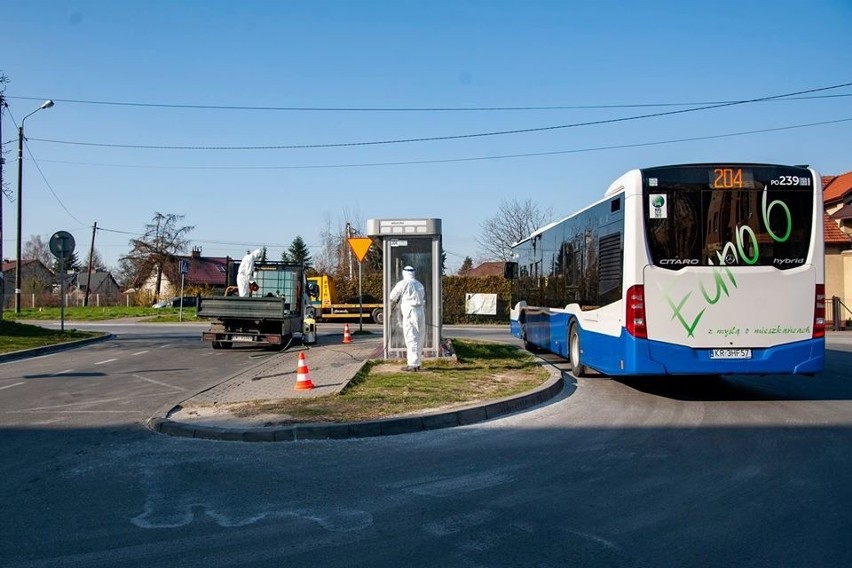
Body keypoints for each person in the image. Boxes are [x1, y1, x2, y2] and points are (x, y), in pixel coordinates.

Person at [389, 265, 426, 371]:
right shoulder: (419, 284)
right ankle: (417, 362)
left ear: (404, 273)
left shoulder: (402, 283)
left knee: (411, 337)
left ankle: (412, 364)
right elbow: (422, 296)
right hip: (420, 312)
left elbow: (392, 296)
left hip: (410, 312)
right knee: (420, 337)